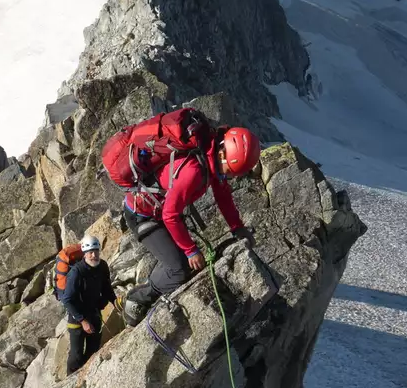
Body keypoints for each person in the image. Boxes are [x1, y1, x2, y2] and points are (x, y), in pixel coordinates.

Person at [116, 120, 260, 326]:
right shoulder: (194, 170)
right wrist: (190, 250)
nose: (228, 176)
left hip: (158, 210)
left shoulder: (211, 156)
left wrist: (237, 227)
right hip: (142, 215)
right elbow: (170, 215)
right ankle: (136, 299)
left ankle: (153, 283)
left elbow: (223, 196)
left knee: (179, 263)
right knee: (180, 270)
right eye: (230, 171)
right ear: (222, 153)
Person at [59, 235, 116, 375]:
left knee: (93, 352)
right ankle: (69, 382)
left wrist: (116, 302)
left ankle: (87, 378)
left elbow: (107, 288)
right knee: (76, 356)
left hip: (94, 313)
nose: (94, 255)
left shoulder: (102, 266)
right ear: (84, 254)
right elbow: (67, 300)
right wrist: (83, 321)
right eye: (90, 252)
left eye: (96, 251)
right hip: (77, 317)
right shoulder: (76, 272)